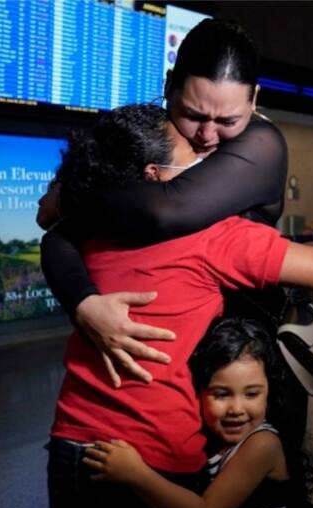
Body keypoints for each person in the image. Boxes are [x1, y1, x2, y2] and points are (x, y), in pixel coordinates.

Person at [46, 103, 313, 508]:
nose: (206, 157)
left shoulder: (92, 229)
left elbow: (52, 229)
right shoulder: (213, 237)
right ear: (156, 176)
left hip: (71, 444)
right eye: (191, 151)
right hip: (152, 455)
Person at [39, 19, 286, 387]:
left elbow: (164, 211)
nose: (207, 135)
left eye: (228, 120)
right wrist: (84, 304)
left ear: (254, 100)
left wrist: (77, 187)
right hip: (155, 370)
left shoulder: (262, 145)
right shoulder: (147, 138)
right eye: (193, 114)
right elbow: (57, 234)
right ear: (169, 84)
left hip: (237, 365)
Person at [84, 318, 313, 508]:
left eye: (252, 394)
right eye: (222, 394)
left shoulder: (262, 444)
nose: (236, 409)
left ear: (269, 392)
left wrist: (136, 473)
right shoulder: (207, 437)